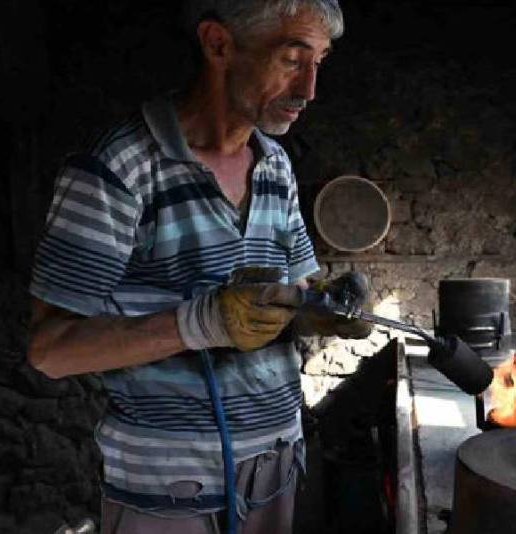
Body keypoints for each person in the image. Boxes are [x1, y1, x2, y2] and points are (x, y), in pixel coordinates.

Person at [26, 1, 364, 532]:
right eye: (292, 59)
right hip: (168, 493)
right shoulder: (118, 168)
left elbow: (294, 291)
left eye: (320, 61)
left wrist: (322, 307)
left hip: (275, 468)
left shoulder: (274, 164)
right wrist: (197, 323)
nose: (310, 89)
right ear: (218, 44)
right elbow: (51, 350)